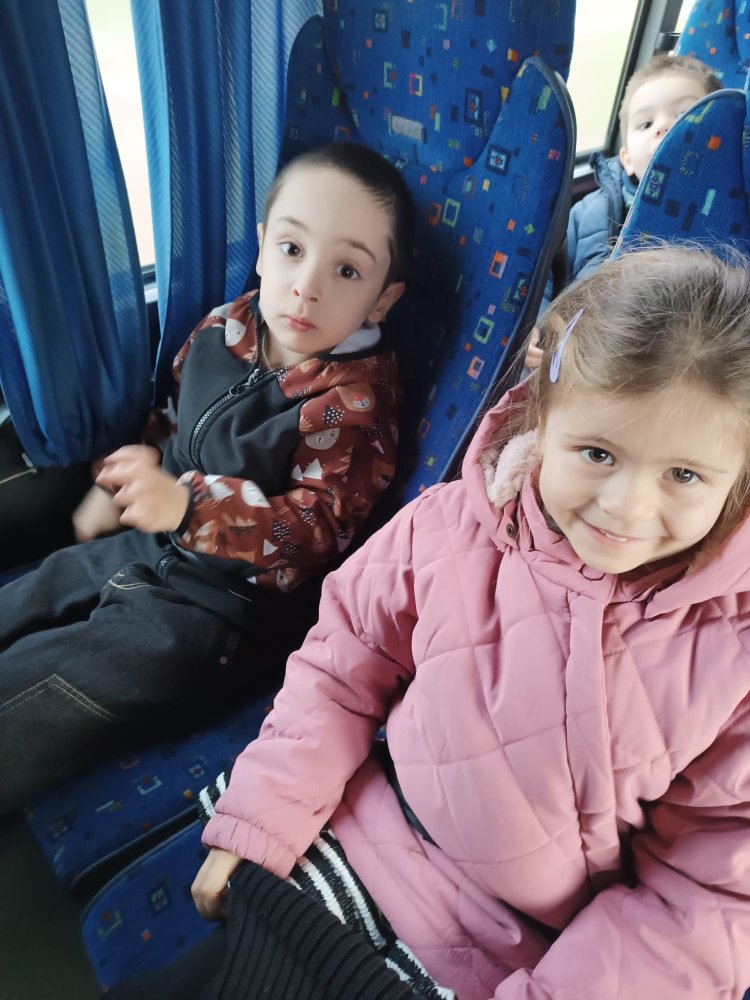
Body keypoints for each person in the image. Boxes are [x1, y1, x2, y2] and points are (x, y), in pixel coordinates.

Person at [111, 244, 750, 999]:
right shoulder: (451, 527)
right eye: (597, 453)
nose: (628, 506)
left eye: (684, 475)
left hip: (511, 952)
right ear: (542, 419)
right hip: (351, 832)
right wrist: (269, 812)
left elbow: (709, 898)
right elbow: (341, 668)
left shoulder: (733, 659)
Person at [0, 141, 414, 814]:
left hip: (221, 617)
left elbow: (314, 531)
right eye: (291, 249)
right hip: (149, 544)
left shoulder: (355, 404)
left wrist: (190, 508)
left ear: (382, 299)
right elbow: (173, 417)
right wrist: (121, 485)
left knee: (46, 680)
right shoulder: (227, 328)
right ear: (263, 249)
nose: (307, 285)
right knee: (32, 593)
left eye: (346, 270)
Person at [524, 53, 721, 370]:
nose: (663, 127)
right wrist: (535, 324)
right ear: (627, 159)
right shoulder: (591, 211)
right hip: (582, 360)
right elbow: (543, 270)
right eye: (646, 123)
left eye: (685, 116)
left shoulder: (730, 217)